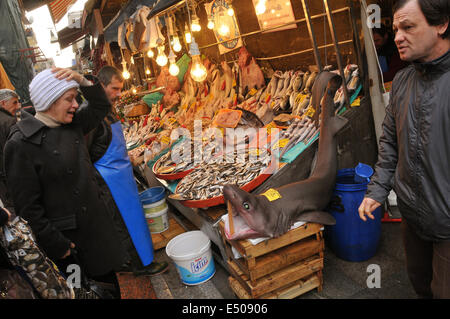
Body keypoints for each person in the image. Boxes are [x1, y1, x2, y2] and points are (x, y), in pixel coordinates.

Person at [4, 68, 134, 298]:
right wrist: (58, 245)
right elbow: (28, 208)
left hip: (96, 232)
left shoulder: (71, 124)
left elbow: (101, 106)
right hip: (70, 247)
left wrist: (82, 80)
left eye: (75, 98)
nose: (75, 105)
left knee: (110, 290)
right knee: (81, 293)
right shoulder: (20, 144)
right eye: (69, 99)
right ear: (49, 100)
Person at [358, 0, 450, 299]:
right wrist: (376, 191)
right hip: (412, 216)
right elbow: (389, 144)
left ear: (441, 25)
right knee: (420, 284)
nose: (397, 36)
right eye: (396, 28)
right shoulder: (401, 81)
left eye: (408, 27)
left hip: (447, 224)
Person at [86, 65, 168, 276]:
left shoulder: (108, 111)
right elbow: (86, 153)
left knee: (134, 220)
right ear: (101, 86)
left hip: (122, 175)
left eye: (120, 88)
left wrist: (127, 158)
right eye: (114, 89)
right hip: (108, 181)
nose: (119, 94)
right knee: (123, 224)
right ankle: (140, 266)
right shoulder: (93, 116)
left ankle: (142, 259)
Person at [0, 89, 21, 213]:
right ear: (3, 103)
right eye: (14, 103)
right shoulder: (9, 121)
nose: (18, 106)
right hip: (9, 175)